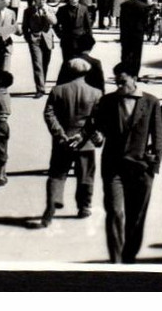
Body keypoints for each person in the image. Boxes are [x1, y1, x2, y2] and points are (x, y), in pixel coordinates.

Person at [87, 65, 162, 264]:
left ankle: (129, 256)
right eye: (117, 82)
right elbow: (99, 128)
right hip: (114, 167)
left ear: (134, 78)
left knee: (136, 217)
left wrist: (153, 167)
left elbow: (158, 135)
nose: (120, 86)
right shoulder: (108, 101)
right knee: (115, 211)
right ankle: (116, 260)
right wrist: (98, 136)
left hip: (141, 168)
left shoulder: (151, 102)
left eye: (123, 81)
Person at [41, 58, 102, 226]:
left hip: (63, 141)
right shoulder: (95, 93)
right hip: (85, 142)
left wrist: (59, 134)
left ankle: (53, 201)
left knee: (57, 174)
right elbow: (97, 119)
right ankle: (84, 206)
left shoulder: (57, 91)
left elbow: (49, 114)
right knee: (85, 175)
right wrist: (83, 134)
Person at [22, 0, 58, 97]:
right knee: (37, 64)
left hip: (47, 39)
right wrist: (28, 37)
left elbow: (54, 22)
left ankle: (42, 83)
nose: (43, 1)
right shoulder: (28, 11)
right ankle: (40, 89)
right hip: (35, 39)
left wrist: (46, 12)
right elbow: (25, 26)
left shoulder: (50, 9)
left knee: (45, 63)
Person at [55, 0, 95, 65]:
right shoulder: (62, 9)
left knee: (79, 62)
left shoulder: (84, 9)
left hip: (80, 40)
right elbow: (55, 24)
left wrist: (89, 39)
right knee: (67, 62)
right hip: (67, 40)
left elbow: (88, 26)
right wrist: (60, 35)